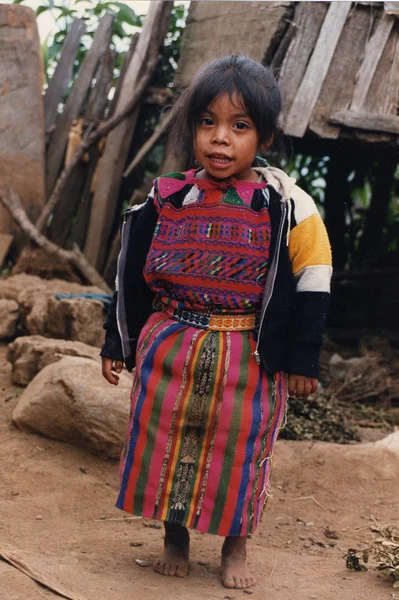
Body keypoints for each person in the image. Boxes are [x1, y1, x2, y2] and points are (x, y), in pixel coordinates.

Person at [100, 54, 332, 590]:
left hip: (249, 353)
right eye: (208, 123)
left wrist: (302, 358)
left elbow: (314, 282)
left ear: (266, 137)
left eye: (239, 126)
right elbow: (131, 275)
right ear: (193, 130)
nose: (220, 139)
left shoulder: (286, 205)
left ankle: (234, 546)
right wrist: (119, 341)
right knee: (168, 440)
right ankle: (175, 537)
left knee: (242, 448)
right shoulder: (167, 198)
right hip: (171, 347)